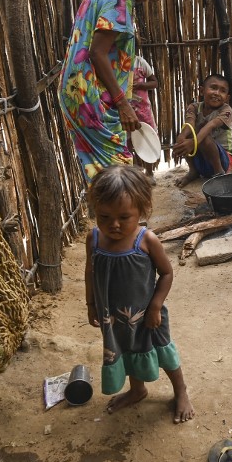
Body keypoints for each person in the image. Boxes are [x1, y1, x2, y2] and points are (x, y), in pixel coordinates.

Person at [59, 0, 183, 184]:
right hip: (91, 96)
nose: (155, 0)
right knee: (118, 175)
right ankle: (122, 222)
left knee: (102, 174)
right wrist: (123, 103)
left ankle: (110, 220)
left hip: (77, 92)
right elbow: (97, 52)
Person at [85, 165, 195, 423]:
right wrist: (91, 305)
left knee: (162, 350)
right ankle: (137, 389)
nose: (113, 225)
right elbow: (90, 271)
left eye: (124, 217)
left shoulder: (147, 240)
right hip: (113, 317)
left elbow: (166, 274)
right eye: (103, 217)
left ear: (142, 210)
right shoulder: (93, 239)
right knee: (127, 350)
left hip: (147, 315)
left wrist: (156, 306)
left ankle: (181, 391)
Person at [172, 74, 232, 187]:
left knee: (204, 135)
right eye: (213, 88)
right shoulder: (194, 107)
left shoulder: (226, 110)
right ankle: (193, 171)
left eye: (223, 91)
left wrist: (193, 143)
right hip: (202, 160)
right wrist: (181, 139)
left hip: (223, 161)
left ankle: (219, 173)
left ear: (227, 98)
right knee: (186, 134)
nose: (217, 93)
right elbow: (189, 124)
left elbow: (210, 125)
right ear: (202, 91)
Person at [129, 55, 160, 178]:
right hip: (124, 110)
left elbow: (154, 82)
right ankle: (135, 173)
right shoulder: (115, 62)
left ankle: (149, 172)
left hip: (143, 110)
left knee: (147, 137)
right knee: (127, 141)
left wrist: (141, 86)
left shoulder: (140, 62)